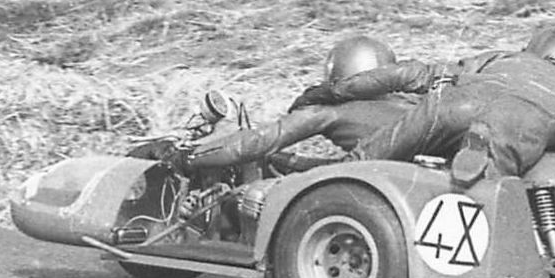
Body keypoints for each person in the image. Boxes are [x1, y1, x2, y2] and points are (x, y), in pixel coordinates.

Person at [289, 27, 555, 186]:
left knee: (355, 167)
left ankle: (325, 176)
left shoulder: (500, 60)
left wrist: (330, 92)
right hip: (515, 142)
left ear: (534, 47)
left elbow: (411, 74)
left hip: (449, 116)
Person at [177, 37, 415, 172]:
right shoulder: (413, 105)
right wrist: (286, 161)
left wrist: (189, 157)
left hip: (372, 189)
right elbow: (347, 166)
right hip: (413, 182)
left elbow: (256, 143)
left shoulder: (331, 111)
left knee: (255, 195)